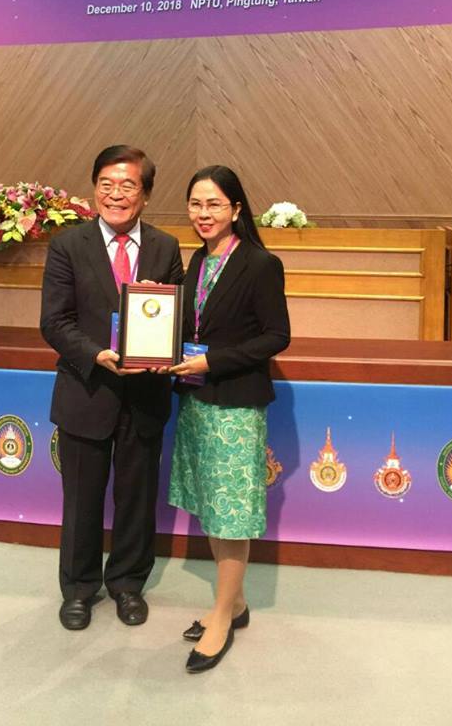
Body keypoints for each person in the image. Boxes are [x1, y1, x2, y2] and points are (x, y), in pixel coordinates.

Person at [40, 145, 183, 631]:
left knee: (137, 498)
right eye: (106, 184)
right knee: (81, 499)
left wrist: (167, 341)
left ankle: (127, 583)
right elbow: (54, 321)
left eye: (127, 185)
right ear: (94, 189)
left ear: (146, 194)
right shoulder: (68, 245)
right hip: (87, 390)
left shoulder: (165, 247)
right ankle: (79, 589)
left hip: (145, 395)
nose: (115, 194)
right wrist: (96, 354)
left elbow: (176, 316)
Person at [167, 165, 290, 673]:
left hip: (235, 406)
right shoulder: (197, 260)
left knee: (231, 512)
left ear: (236, 209)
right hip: (198, 401)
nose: (203, 213)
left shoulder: (261, 264)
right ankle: (235, 603)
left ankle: (221, 617)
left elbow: (276, 336)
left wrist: (212, 362)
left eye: (214, 204)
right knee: (211, 507)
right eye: (196, 204)